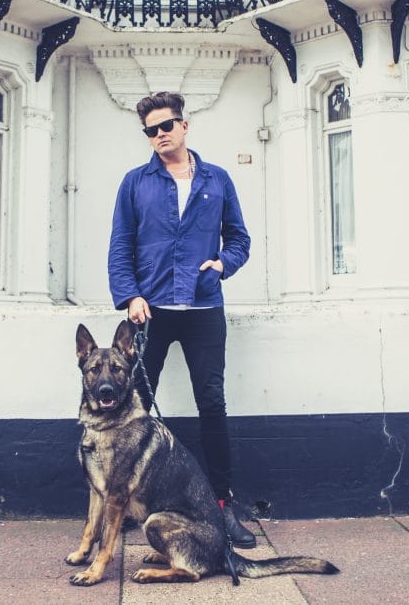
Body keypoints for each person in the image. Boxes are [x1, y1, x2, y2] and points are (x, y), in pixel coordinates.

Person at [107, 91, 255, 548]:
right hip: (150, 312)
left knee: (211, 403)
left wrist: (223, 264)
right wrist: (129, 295)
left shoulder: (218, 179)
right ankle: (134, 505)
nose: (158, 136)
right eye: (150, 131)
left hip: (204, 309)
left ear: (184, 126)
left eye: (165, 127)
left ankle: (223, 506)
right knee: (137, 411)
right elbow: (120, 246)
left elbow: (240, 239)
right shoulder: (135, 183)